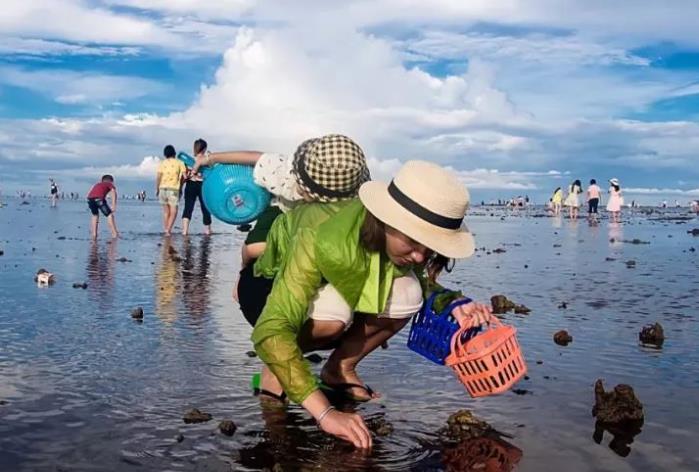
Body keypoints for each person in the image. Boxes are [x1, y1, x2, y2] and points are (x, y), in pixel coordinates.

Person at [251, 160, 492, 449]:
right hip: (266, 284)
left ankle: (338, 369)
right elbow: (272, 329)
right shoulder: (318, 236)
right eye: (414, 242)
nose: (419, 257)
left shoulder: (391, 239)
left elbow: (415, 277)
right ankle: (275, 369)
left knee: (410, 293)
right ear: (386, 219)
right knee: (332, 317)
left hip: (335, 276)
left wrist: (453, 302)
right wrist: (326, 413)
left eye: (430, 248)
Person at [195, 135, 370, 327]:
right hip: (282, 211)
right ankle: (242, 273)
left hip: (315, 232)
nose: (303, 190)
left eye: (309, 190)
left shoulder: (353, 204)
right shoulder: (289, 173)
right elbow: (254, 158)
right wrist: (209, 159)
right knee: (254, 249)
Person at [181, 139, 212, 236]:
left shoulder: (188, 160)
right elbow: (212, 172)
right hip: (203, 185)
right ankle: (207, 230)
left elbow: (185, 176)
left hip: (190, 184)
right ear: (204, 148)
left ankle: (185, 231)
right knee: (206, 208)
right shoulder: (207, 159)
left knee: (188, 208)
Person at [156, 144, 186, 236]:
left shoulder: (162, 163)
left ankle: (166, 229)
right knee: (174, 211)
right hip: (173, 189)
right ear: (174, 153)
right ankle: (168, 230)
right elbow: (184, 176)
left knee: (166, 212)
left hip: (162, 189)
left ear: (165, 154)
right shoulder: (179, 163)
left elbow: (158, 177)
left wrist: (157, 189)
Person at [86, 174, 118, 239]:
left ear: (101, 180)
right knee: (109, 215)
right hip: (99, 199)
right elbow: (113, 191)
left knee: (95, 215)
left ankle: (94, 234)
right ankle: (114, 234)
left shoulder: (97, 184)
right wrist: (114, 205)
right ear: (111, 181)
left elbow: (90, 193)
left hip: (90, 199)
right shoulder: (109, 183)